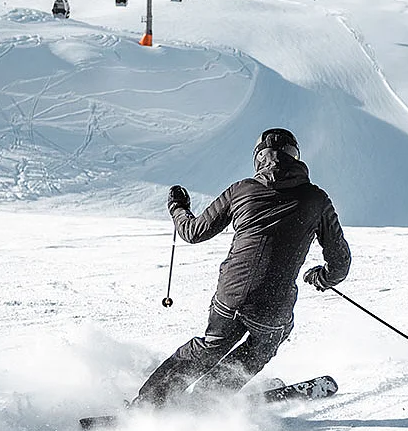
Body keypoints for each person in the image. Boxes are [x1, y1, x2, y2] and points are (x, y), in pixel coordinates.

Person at [133, 128, 351, 407]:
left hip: (231, 295)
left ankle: (148, 403)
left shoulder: (242, 190)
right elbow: (340, 263)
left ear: (259, 158)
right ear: (295, 157)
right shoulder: (316, 199)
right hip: (274, 307)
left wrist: (178, 207)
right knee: (267, 340)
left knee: (210, 346)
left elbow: (192, 232)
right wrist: (322, 277)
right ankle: (209, 396)